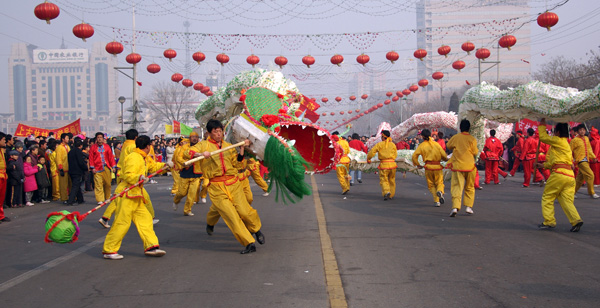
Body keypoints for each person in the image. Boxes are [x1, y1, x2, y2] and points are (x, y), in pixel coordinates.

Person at [192, 119, 263, 254]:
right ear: (209, 133)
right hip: (216, 187)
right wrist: (201, 154)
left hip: (233, 183)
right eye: (215, 132)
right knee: (231, 216)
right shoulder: (203, 146)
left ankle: (256, 229)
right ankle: (249, 242)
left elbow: (237, 164)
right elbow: (187, 153)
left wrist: (242, 148)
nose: (219, 134)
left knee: (244, 211)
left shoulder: (228, 146)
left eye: (220, 131)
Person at [102, 135, 171, 260]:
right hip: (127, 194)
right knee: (122, 223)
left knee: (146, 220)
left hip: (137, 195)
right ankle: (109, 249)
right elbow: (128, 175)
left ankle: (151, 246)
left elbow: (153, 167)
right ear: (147, 146)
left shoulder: (142, 157)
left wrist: (165, 166)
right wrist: (138, 178)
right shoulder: (134, 157)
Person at [537, 119, 584, 232]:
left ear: (557, 132)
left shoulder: (558, 140)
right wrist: (543, 166)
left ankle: (549, 221)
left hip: (559, 174)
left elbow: (543, 137)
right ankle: (576, 220)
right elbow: (558, 161)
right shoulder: (566, 144)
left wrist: (542, 124)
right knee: (566, 200)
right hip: (569, 176)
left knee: (548, 196)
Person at [446, 119, 478, 217]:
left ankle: (455, 207)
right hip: (470, 166)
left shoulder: (456, 137)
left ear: (460, 128)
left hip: (458, 166)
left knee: (456, 187)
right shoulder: (472, 139)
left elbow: (449, 145)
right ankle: (468, 207)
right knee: (469, 187)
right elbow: (475, 152)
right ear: (469, 128)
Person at [412, 129, 448, 207]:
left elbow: (414, 156)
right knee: (439, 182)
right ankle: (440, 191)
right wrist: (445, 160)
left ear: (422, 136)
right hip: (437, 167)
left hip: (428, 167)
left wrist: (417, 164)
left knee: (431, 185)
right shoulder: (436, 144)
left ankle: (436, 201)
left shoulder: (422, 145)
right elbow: (444, 155)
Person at [174, 132, 203, 216]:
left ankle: (187, 210)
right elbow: (178, 157)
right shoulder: (184, 147)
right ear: (189, 138)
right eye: (192, 137)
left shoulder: (201, 146)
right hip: (186, 171)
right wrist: (185, 163)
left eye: (196, 137)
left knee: (192, 194)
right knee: (182, 193)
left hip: (196, 172)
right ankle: (176, 200)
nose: (194, 138)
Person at [367, 130, 397, 201]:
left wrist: (368, 159)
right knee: (392, 180)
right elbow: (395, 154)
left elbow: (372, 152)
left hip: (384, 165)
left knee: (384, 180)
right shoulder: (393, 145)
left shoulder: (379, 144)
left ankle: (386, 191)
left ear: (383, 137)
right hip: (393, 165)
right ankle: (391, 195)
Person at [570, 124, 599, 198]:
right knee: (590, 175)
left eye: (583, 130)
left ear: (585, 131)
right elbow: (569, 151)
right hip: (580, 160)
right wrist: (570, 161)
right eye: (580, 130)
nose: (582, 131)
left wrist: (593, 157)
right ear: (578, 131)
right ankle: (591, 192)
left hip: (586, 159)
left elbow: (589, 149)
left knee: (580, 179)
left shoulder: (586, 138)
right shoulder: (574, 140)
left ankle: (572, 193)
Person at [89, 132, 117, 205]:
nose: (99, 139)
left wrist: (113, 166)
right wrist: (92, 167)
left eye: (101, 137)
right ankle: (100, 199)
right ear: (96, 139)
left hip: (106, 167)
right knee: (98, 184)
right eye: (98, 137)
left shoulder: (107, 147)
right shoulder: (93, 147)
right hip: (97, 168)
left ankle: (107, 197)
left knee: (108, 183)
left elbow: (110, 157)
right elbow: (91, 158)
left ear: (103, 138)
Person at [66, 139, 87, 205]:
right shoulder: (78, 152)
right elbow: (80, 162)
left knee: (77, 185)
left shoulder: (70, 151)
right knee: (75, 186)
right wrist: (85, 167)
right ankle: (70, 200)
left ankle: (80, 199)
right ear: (81, 146)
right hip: (77, 171)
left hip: (71, 170)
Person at [55, 133, 71, 201]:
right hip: (63, 169)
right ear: (63, 139)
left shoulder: (68, 146)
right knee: (63, 186)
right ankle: (64, 199)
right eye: (67, 138)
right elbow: (58, 159)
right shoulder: (59, 148)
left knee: (70, 184)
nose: (68, 139)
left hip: (69, 168)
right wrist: (60, 168)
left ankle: (71, 197)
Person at [0, 133, 11, 223]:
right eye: (3, 139)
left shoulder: (2, 150)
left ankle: (1, 215)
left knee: (1, 197)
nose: (5, 141)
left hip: (3, 175)